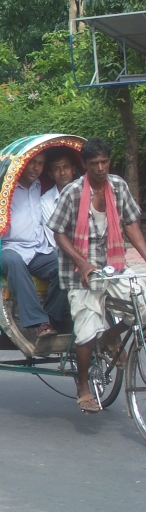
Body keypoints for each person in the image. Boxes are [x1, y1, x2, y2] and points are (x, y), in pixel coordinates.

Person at [48, 138, 146, 413]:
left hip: (112, 266)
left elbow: (131, 224)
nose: (100, 168)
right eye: (94, 164)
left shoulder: (118, 186)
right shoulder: (74, 192)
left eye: (104, 162)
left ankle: (112, 335)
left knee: (142, 304)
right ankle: (82, 388)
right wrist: (83, 262)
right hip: (80, 272)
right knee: (87, 328)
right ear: (85, 165)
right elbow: (58, 231)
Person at [0, 151, 67, 338]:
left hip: (38, 249)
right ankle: (39, 322)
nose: (36, 168)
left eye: (40, 164)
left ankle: (52, 318)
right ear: (23, 164)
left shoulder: (40, 186)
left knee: (64, 265)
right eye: (32, 163)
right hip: (8, 248)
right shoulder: (6, 189)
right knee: (14, 262)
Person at [41, 152, 78, 247]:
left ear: (73, 169)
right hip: (60, 253)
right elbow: (54, 238)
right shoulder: (45, 201)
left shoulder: (85, 193)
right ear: (51, 174)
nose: (62, 172)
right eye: (57, 169)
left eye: (66, 167)